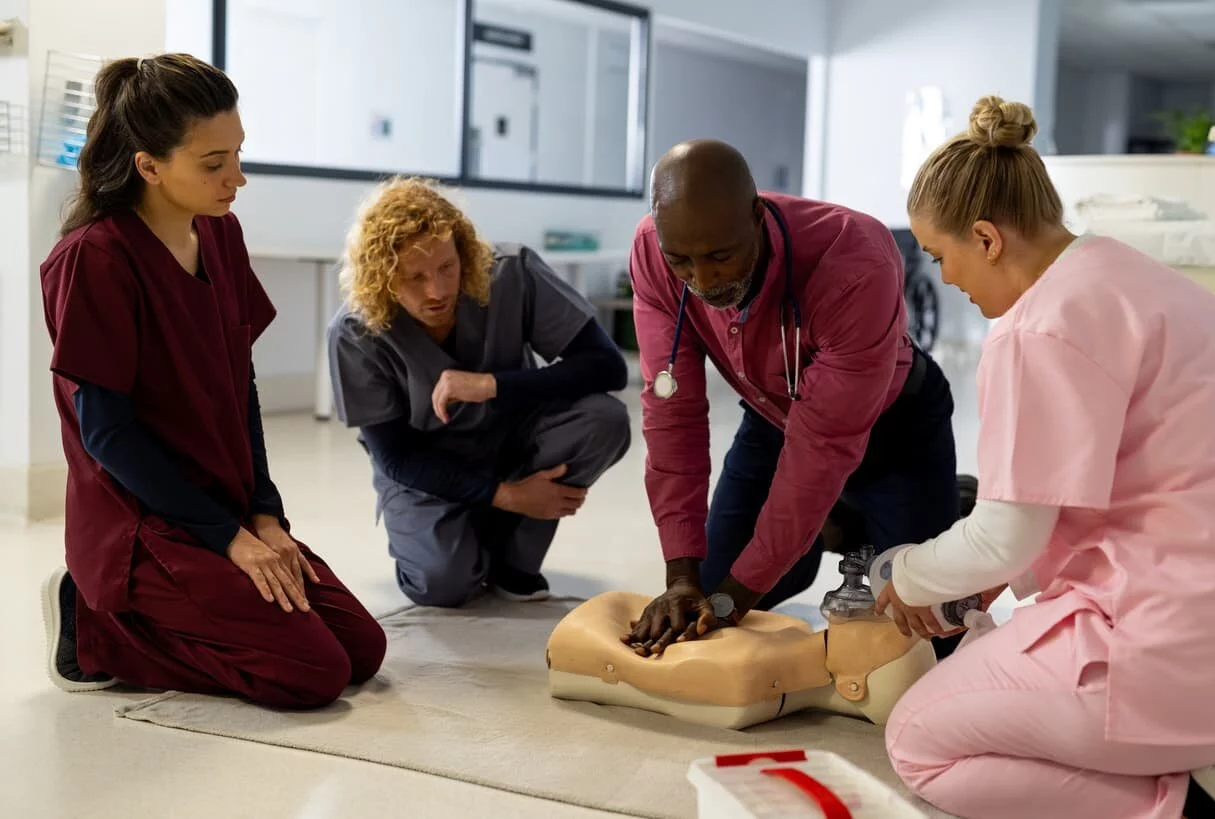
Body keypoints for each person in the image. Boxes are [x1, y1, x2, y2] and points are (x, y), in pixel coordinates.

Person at [877, 96, 1215, 819]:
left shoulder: (1038, 326)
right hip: (1203, 609)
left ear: (985, 237)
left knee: (917, 736)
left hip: (1171, 642)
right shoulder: (1134, 278)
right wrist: (989, 580)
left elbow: (1005, 533)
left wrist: (907, 574)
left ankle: (1183, 806)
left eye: (942, 256)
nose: (944, 279)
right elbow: (1108, 486)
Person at [38, 53, 386, 709]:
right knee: (313, 673)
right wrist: (228, 539)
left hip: (224, 507)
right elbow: (107, 433)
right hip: (142, 525)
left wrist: (264, 513)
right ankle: (94, 623)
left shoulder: (220, 235)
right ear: (149, 166)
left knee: (361, 650)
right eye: (213, 163)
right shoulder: (94, 259)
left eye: (237, 153)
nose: (238, 178)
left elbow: (240, 384)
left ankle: (169, 598)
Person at [621, 139, 972, 658]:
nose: (703, 280)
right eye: (682, 262)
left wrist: (731, 603)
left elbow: (822, 448)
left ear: (758, 216)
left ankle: (951, 508)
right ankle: (830, 524)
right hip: (773, 415)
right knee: (710, 585)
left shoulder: (853, 258)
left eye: (720, 256)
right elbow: (673, 418)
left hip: (896, 427)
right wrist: (681, 577)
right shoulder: (652, 251)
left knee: (928, 641)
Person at [327, 177, 631, 607]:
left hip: (515, 438)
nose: (438, 291)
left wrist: (491, 385)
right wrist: (506, 495)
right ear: (383, 279)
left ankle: (515, 562)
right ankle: (469, 529)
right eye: (414, 277)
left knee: (606, 419)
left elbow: (607, 366)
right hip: (427, 467)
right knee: (442, 585)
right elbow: (396, 457)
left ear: (464, 253)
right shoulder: (355, 333)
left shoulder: (511, 272)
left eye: (447, 267)